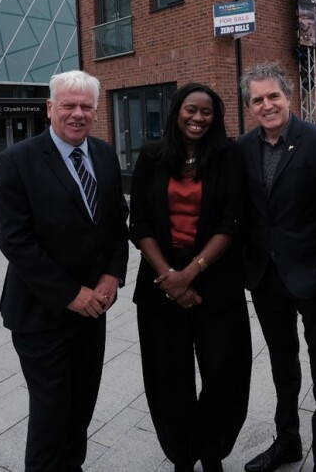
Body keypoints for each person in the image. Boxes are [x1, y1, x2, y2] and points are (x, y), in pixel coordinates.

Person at [0, 70, 129, 472]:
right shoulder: (17, 160)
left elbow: (116, 221)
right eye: (68, 105)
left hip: (93, 312)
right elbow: (16, 241)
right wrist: (72, 294)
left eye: (86, 106)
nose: (77, 114)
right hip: (43, 315)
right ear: (49, 108)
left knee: (81, 406)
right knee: (51, 413)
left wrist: (112, 274)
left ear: (96, 110)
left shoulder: (104, 154)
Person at [130, 83, 252, 472]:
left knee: (225, 374)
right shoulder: (151, 156)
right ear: (176, 112)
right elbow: (140, 223)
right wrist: (170, 277)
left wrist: (190, 273)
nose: (198, 118)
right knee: (169, 378)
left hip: (216, 284)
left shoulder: (228, 156)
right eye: (191, 110)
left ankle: (212, 451)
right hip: (159, 285)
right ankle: (182, 455)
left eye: (207, 112)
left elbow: (233, 221)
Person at [237, 61, 316, 472]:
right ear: (250, 106)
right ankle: (288, 442)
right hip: (265, 278)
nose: (267, 105)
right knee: (283, 364)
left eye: (273, 96)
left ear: (288, 96)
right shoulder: (244, 147)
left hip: (312, 276)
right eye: (258, 100)